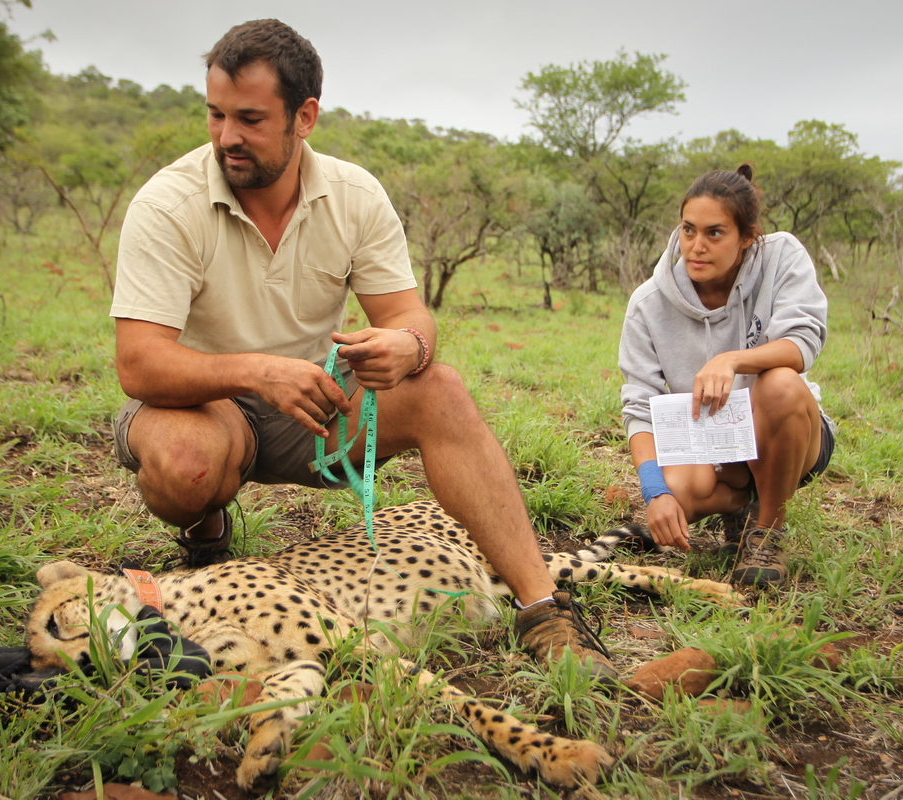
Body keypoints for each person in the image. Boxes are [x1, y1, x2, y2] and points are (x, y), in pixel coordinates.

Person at [108, 19, 615, 680]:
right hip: (203, 405)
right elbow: (138, 362)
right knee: (186, 466)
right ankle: (205, 531)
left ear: (305, 117)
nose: (227, 136)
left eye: (251, 119)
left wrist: (408, 344)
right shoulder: (167, 203)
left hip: (311, 405)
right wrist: (258, 372)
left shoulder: (353, 195)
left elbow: (408, 315)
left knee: (441, 388)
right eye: (215, 114)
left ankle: (542, 608)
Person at [618, 165, 836, 588]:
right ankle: (742, 506)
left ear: (747, 238)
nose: (696, 247)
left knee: (779, 382)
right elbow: (639, 407)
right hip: (714, 442)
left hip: (787, 433)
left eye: (714, 233)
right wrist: (654, 491)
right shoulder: (648, 303)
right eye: (688, 230)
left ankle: (767, 532)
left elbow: (802, 343)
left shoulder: (781, 255)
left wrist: (734, 360)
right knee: (677, 492)